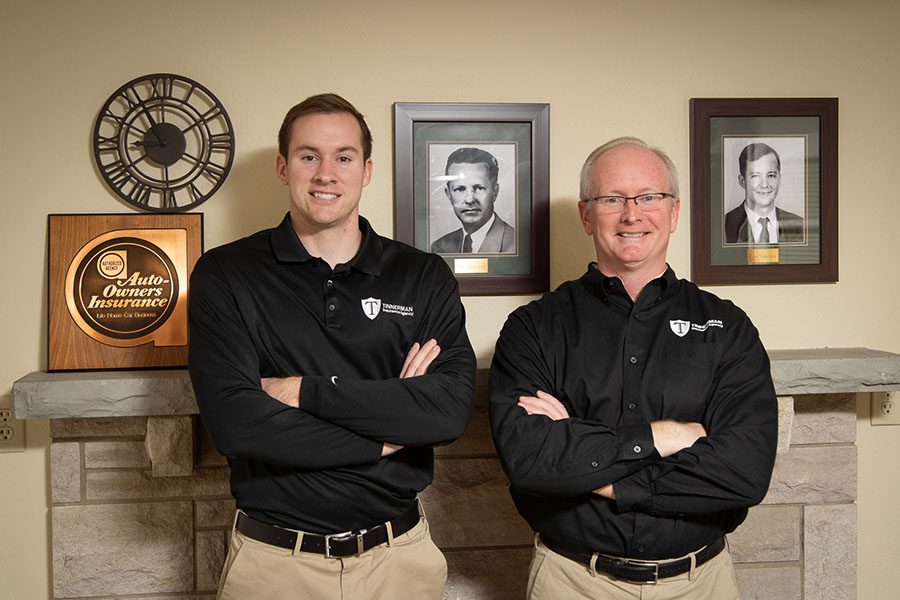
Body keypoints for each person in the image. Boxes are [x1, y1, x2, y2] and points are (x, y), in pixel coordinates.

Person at [188, 93, 476, 600]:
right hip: (275, 565)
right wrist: (389, 430)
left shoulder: (422, 275)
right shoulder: (226, 273)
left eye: (343, 157)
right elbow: (237, 424)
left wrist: (304, 392)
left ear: (366, 171)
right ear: (283, 167)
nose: (326, 174)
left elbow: (447, 413)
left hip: (399, 561)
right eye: (308, 156)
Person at [489, 137, 778, 599]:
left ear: (674, 211)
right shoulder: (534, 327)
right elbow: (532, 463)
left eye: (649, 197)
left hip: (699, 584)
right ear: (586, 214)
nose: (631, 214)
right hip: (573, 582)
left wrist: (589, 465)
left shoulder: (727, 327)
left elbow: (743, 473)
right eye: (612, 199)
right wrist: (663, 436)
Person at [431, 146, 516, 254]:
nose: (470, 199)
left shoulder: (516, 244)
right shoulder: (440, 247)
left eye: (479, 188)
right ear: (448, 194)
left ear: (495, 192)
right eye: (460, 189)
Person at [725, 142, 804, 244]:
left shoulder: (801, 226)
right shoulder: (722, 226)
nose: (764, 185)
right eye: (756, 176)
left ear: (779, 179)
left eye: (770, 175)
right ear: (742, 181)